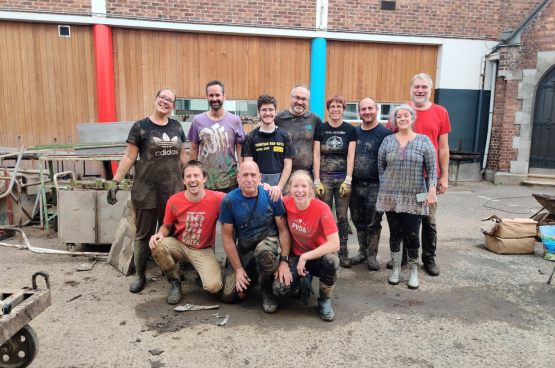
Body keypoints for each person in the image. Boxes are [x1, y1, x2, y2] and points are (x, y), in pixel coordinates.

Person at [107, 88, 187, 293]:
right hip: (147, 191)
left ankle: (171, 271)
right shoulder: (140, 127)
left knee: (172, 233)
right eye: (163, 98)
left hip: (173, 191)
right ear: (155, 99)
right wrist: (115, 181)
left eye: (170, 100)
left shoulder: (177, 126)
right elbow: (129, 157)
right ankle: (141, 275)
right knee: (143, 234)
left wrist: (189, 180)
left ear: (173, 106)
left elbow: (182, 157)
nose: (165, 102)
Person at [385, 73, 451, 276]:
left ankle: (429, 258)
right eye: (416, 87)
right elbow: (391, 142)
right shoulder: (401, 112)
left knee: (427, 218)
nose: (420, 90)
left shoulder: (440, 112)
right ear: (411, 89)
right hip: (403, 179)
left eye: (424, 87)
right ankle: (403, 257)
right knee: (403, 216)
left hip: (426, 180)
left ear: (430, 89)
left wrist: (443, 176)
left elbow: (443, 147)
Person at [376, 104, 437, 289]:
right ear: (394, 120)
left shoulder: (424, 141)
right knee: (394, 234)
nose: (402, 118)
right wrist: (387, 187)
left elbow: (432, 169)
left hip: (416, 195)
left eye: (406, 115)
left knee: (412, 234)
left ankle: (413, 271)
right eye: (399, 116)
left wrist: (431, 191)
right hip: (391, 195)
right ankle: (395, 269)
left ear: (412, 118)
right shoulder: (387, 141)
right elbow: (381, 168)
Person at [148, 161, 225, 305]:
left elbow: (240, 195)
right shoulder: (174, 200)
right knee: (157, 245)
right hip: (179, 246)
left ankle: (201, 272)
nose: (192, 179)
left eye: (196, 175)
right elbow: (166, 226)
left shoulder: (218, 198)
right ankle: (175, 283)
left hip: (203, 249)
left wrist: (264, 186)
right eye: (188, 176)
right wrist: (159, 234)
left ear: (204, 178)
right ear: (183, 180)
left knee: (214, 287)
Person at [219, 161, 292, 314]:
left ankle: (266, 287)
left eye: (253, 175)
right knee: (229, 296)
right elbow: (227, 238)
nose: (249, 179)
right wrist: (238, 269)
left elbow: (284, 231)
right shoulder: (229, 201)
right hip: (245, 250)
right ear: (238, 177)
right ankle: (251, 274)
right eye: (245, 175)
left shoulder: (272, 196)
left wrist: (285, 260)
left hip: (268, 246)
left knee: (263, 252)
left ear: (260, 177)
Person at [272, 170, 339, 322]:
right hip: (296, 257)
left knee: (332, 261)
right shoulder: (286, 203)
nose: (300, 190)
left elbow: (335, 244)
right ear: (289, 188)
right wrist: (267, 186)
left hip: (317, 256)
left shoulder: (322, 209)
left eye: (304, 186)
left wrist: (305, 256)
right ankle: (301, 280)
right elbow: (268, 194)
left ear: (310, 189)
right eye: (295, 186)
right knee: (279, 289)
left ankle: (324, 300)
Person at [348, 97, 393, 270]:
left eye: (370, 108)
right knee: (358, 219)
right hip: (355, 185)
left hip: (375, 186)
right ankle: (362, 252)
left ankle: (372, 256)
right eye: (363, 109)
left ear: (377, 110)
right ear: (359, 112)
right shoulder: (353, 132)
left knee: (373, 221)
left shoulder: (386, 134)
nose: (367, 112)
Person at [313, 94, 357, 268]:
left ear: (344, 109)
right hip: (324, 179)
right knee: (324, 216)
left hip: (342, 180)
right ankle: (325, 251)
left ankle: (343, 252)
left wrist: (348, 179)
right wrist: (316, 180)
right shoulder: (321, 129)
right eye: (332, 106)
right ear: (328, 109)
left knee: (341, 217)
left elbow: (351, 155)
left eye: (339, 106)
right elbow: (316, 155)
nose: (336, 109)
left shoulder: (350, 130)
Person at [188, 80, 245, 193]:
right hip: (206, 182)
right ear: (206, 97)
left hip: (230, 181)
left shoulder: (235, 121)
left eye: (217, 95)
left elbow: (240, 150)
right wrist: (192, 174)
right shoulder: (198, 121)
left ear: (224, 96)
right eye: (211, 95)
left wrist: (242, 173)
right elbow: (194, 150)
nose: (214, 99)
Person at [241, 94, 295, 193]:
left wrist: (278, 187)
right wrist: (260, 186)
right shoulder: (250, 137)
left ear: (275, 112)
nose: (267, 113)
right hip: (256, 186)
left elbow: (288, 166)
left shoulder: (285, 136)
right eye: (264, 110)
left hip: (279, 187)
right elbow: (248, 165)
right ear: (258, 112)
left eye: (270, 110)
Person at [274, 83, 323, 189]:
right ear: (290, 98)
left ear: (308, 101)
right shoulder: (278, 118)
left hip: (306, 175)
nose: (300, 102)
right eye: (297, 98)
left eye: (304, 99)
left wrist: (317, 179)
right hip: (282, 176)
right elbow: (260, 130)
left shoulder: (315, 120)